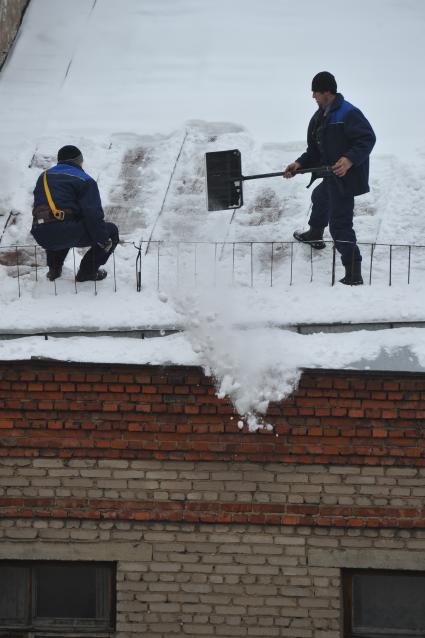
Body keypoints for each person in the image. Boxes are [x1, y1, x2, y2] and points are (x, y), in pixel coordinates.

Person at [284, 72, 376, 285]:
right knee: (320, 196)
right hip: (331, 176)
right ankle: (315, 234)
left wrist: (349, 159)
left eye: (315, 92)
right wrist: (299, 164)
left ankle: (354, 273)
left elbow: (367, 138)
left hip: (345, 178)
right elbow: (314, 151)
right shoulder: (319, 117)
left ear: (326, 92)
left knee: (340, 225)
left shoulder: (348, 113)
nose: (313, 96)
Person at [31, 145, 119, 282]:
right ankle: (87, 272)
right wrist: (103, 239)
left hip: (41, 233)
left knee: (58, 223)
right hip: (65, 232)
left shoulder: (43, 177)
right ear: (79, 160)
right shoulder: (85, 180)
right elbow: (93, 216)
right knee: (111, 231)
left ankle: (54, 269)